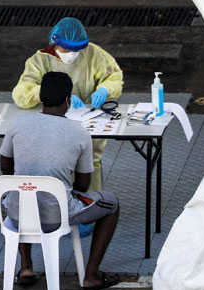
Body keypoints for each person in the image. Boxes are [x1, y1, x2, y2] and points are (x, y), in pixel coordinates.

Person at [0, 71, 120, 290]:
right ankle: (91, 275)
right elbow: (84, 184)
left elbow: (5, 169)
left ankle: (26, 267)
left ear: (42, 98)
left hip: (17, 214)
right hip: (57, 215)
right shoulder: (79, 132)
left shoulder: (18, 123)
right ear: (68, 100)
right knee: (111, 204)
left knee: (22, 191)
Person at [12, 17, 122, 193]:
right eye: (67, 49)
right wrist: (53, 94)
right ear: (55, 41)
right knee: (60, 163)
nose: (71, 53)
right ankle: (73, 206)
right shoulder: (41, 60)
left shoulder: (94, 54)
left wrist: (104, 89)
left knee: (88, 163)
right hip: (53, 124)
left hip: (88, 120)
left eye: (76, 49)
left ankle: (88, 204)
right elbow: (21, 93)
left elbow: (114, 77)